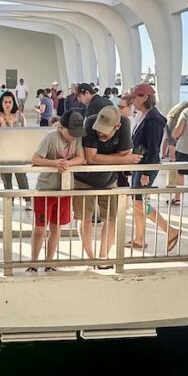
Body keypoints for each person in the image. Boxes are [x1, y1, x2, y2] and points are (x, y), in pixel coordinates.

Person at [75, 106, 141, 268]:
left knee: (111, 218)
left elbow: (125, 153)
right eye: (98, 130)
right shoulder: (90, 122)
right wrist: (120, 159)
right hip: (83, 180)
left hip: (109, 180)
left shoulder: (124, 123)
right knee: (85, 218)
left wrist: (103, 157)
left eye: (105, 131)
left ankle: (103, 257)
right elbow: (91, 158)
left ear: (117, 126)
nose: (100, 134)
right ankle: (90, 257)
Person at [29, 111, 86, 271]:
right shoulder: (51, 138)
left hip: (65, 189)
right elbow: (35, 159)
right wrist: (55, 163)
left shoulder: (78, 138)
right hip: (46, 189)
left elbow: (81, 158)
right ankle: (33, 262)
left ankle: (49, 262)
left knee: (56, 227)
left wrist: (68, 163)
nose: (74, 137)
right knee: (40, 228)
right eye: (71, 133)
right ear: (61, 127)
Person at [126, 84, 180, 252]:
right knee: (139, 202)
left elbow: (153, 147)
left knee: (141, 203)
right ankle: (139, 239)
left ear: (144, 97)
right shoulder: (145, 116)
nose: (132, 101)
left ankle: (170, 231)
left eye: (134, 97)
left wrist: (145, 173)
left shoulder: (153, 119)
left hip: (145, 167)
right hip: (141, 166)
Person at [0, 90, 30, 196]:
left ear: (13, 103)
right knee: (6, 178)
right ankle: (10, 199)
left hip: (18, 151)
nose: (8, 104)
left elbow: (25, 133)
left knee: (21, 177)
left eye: (10, 102)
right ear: (2, 103)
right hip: (4, 152)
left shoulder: (19, 116)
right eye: (5, 102)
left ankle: (26, 199)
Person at [163, 97, 188, 202]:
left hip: (169, 119)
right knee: (173, 142)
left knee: (169, 140)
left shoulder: (181, 104)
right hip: (174, 121)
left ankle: (168, 158)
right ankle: (173, 160)